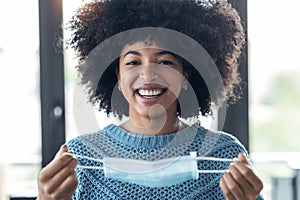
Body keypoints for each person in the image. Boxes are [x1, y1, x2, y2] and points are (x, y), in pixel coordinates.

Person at [37, 0, 264, 199]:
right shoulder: (80, 158)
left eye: (164, 62)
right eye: (133, 62)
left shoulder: (224, 155)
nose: (147, 75)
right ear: (117, 75)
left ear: (185, 74)